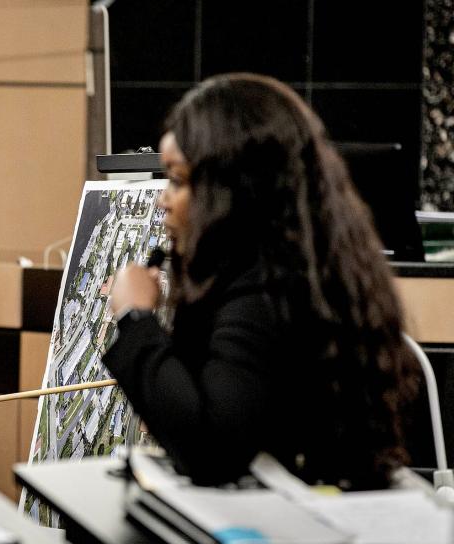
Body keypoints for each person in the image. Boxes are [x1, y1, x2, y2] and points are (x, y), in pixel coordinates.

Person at [103, 73, 419, 490]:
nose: (163, 198)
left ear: (230, 188)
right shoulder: (296, 265)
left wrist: (136, 320)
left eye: (178, 180)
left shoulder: (267, 289)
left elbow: (213, 447)